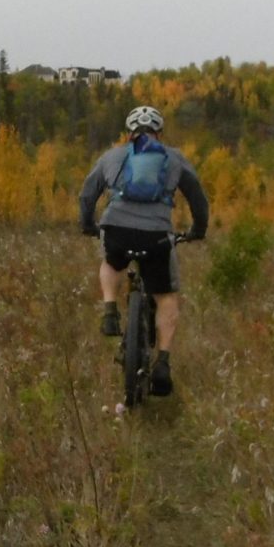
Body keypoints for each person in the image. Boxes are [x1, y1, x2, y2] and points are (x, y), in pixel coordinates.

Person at [78, 106, 209, 395]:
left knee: (112, 264)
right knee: (165, 296)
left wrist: (88, 224)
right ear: (159, 134)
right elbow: (198, 197)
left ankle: (110, 310)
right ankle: (162, 362)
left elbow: (88, 194)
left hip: (117, 229)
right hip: (157, 235)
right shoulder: (174, 158)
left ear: (129, 133)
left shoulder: (112, 156)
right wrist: (198, 229)